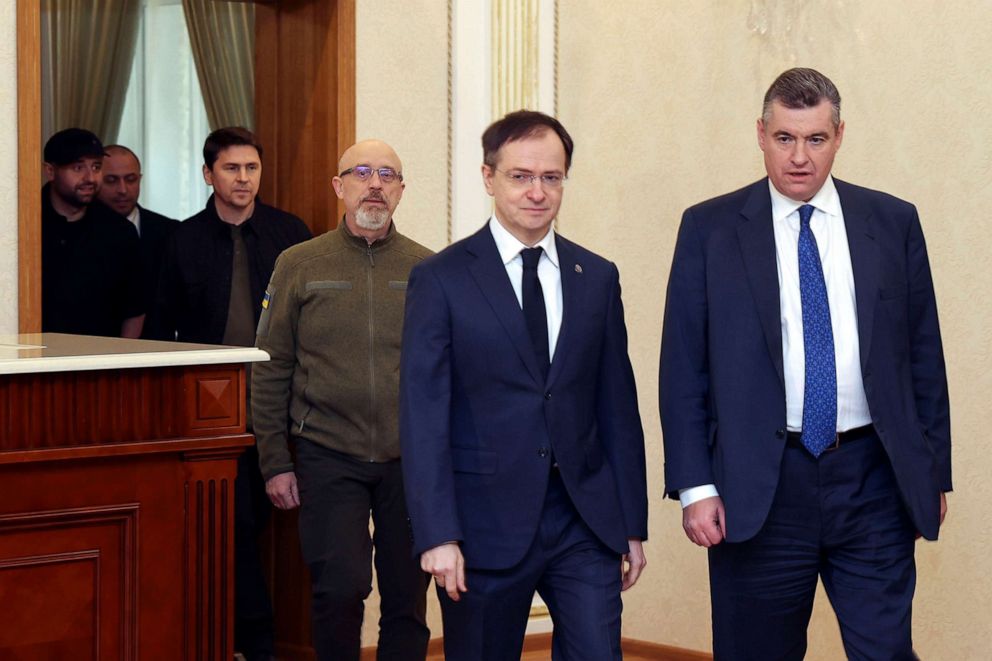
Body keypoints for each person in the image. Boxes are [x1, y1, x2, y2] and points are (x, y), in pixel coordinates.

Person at [659, 68, 951, 660]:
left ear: (839, 136)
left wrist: (932, 470)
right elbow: (683, 367)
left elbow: (924, 355)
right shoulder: (709, 229)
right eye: (785, 138)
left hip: (873, 478)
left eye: (815, 139)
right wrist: (695, 486)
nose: (799, 156)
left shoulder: (892, 222)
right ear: (761, 135)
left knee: (886, 651)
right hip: (759, 486)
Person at [400, 110, 648, 660]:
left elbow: (617, 408)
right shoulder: (441, 279)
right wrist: (438, 533)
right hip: (482, 524)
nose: (537, 192)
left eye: (551, 178)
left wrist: (630, 523)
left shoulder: (597, 276)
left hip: (584, 520)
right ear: (489, 178)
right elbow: (423, 415)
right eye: (520, 176)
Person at [252, 139, 433, 661]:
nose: (374, 184)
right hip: (327, 455)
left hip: (410, 461)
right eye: (361, 172)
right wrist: (274, 462)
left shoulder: (428, 269)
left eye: (387, 174)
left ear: (400, 190)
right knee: (339, 589)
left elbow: (450, 374)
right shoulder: (300, 263)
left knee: (408, 595)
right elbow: (270, 367)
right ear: (339, 186)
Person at [150, 126, 311, 661]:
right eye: (231, 169)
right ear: (208, 174)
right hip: (210, 404)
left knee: (279, 522)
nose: (243, 179)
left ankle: (263, 638)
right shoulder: (183, 240)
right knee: (233, 524)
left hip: (286, 399)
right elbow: (160, 329)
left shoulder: (290, 233)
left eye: (251, 169)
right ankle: (249, 641)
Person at [41, 128, 144, 338]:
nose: (90, 177)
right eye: (78, 167)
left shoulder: (119, 231)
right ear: (50, 171)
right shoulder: (25, 225)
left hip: (101, 360)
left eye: (96, 167)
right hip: (34, 359)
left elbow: (134, 308)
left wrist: (121, 361)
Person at [98, 144, 178, 339]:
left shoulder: (170, 232)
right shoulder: (83, 232)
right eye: (111, 181)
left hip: (159, 353)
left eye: (131, 179)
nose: (123, 190)